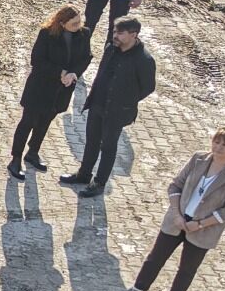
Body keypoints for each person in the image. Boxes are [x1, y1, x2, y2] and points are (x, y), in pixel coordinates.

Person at [108, 127, 225, 291]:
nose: (217, 148)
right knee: (155, 257)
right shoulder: (198, 158)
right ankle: (138, 289)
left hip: (203, 229)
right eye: (216, 142)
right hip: (178, 220)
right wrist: (177, 214)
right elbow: (176, 185)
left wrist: (200, 224)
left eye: (224, 145)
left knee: (187, 268)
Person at [58, 18, 156, 197]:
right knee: (91, 141)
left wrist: (127, 101)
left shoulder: (144, 59)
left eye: (120, 33)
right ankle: (84, 174)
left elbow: (148, 87)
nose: (115, 36)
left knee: (109, 146)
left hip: (117, 111)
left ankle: (99, 182)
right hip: (98, 103)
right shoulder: (111, 49)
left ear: (133, 35)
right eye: (114, 32)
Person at [8, 6, 91, 178]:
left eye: (79, 22)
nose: (78, 26)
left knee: (45, 122)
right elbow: (37, 60)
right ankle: (15, 158)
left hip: (62, 90)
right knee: (28, 122)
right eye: (74, 23)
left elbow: (86, 57)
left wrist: (74, 73)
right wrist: (60, 72)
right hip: (40, 87)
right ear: (62, 23)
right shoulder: (47, 34)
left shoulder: (83, 34)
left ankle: (33, 152)